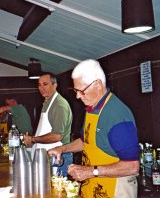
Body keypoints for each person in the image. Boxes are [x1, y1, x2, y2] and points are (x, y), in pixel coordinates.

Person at [48, 59, 140, 198]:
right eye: (75, 90)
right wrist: (62, 149)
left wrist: (91, 172)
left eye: (81, 90)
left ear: (97, 85)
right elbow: (86, 141)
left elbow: (132, 166)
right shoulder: (92, 108)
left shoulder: (117, 115)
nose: (78, 96)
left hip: (115, 189)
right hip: (93, 186)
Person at [24, 72, 73, 176]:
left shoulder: (59, 104)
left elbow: (56, 136)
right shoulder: (47, 102)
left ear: (55, 85)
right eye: (39, 85)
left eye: (45, 84)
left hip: (58, 157)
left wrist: (33, 139)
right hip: (47, 155)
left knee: (57, 190)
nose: (42, 88)